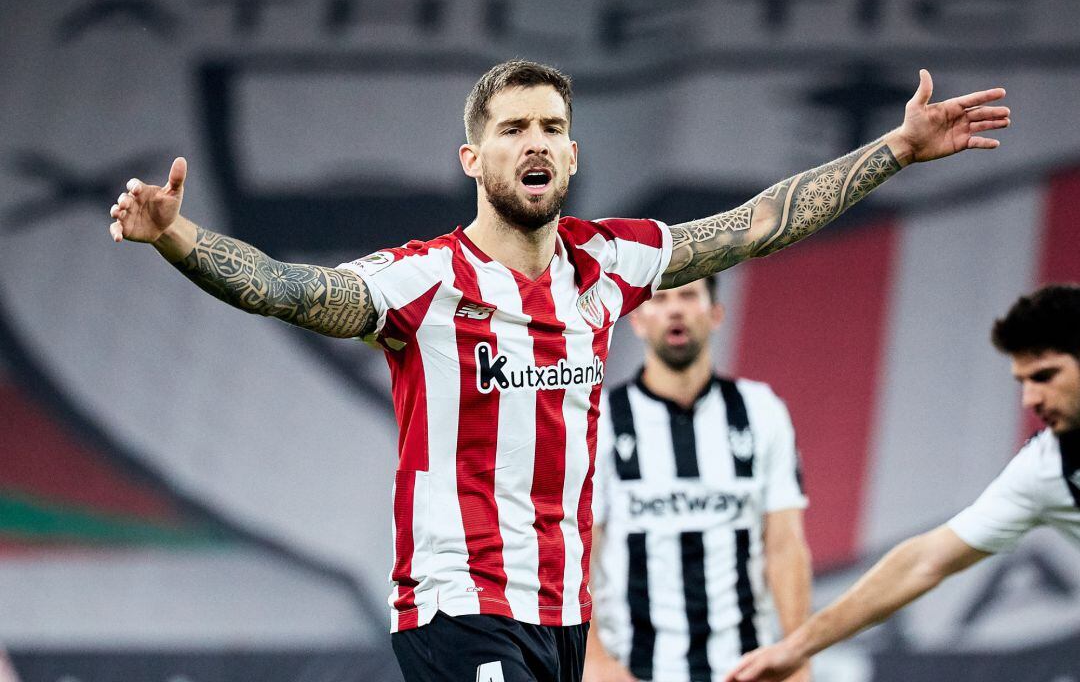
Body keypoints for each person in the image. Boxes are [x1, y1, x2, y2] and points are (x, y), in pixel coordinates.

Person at [107, 60, 1009, 682]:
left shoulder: (608, 264)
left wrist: (894, 150)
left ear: (573, 155)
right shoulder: (426, 280)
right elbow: (287, 289)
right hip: (459, 603)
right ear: (474, 158)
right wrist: (177, 236)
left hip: (564, 614)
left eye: (552, 127)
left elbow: (759, 223)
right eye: (511, 129)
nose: (534, 141)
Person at [724, 284, 1080, 682]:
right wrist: (797, 647)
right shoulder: (1043, 470)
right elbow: (925, 561)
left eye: (1045, 376)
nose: (1029, 399)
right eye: (1023, 381)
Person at [585, 276, 812, 682]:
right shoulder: (600, 420)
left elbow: (785, 546)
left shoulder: (761, 410)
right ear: (637, 320)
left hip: (744, 668)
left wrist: (797, 656)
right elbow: (579, 553)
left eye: (689, 295)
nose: (675, 309)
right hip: (636, 670)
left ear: (716, 313)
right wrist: (597, 661)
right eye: (660, 299)